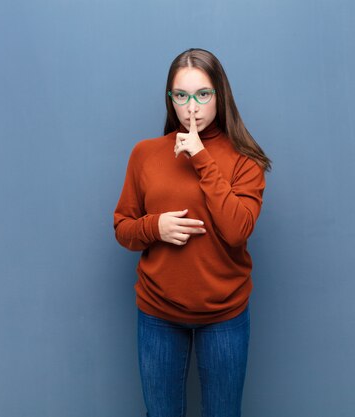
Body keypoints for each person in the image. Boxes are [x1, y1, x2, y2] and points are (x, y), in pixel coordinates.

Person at [113, 47, 271, 417]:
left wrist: (201, 157)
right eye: (181, 96)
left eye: (202, 95)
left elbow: (236, 231)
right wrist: (156, 227)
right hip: (158, 312)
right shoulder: (146, 154)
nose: (192, 107)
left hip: (224, 314)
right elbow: (123, 229)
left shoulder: (245, 159)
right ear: (170, 99)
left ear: (220, 95)